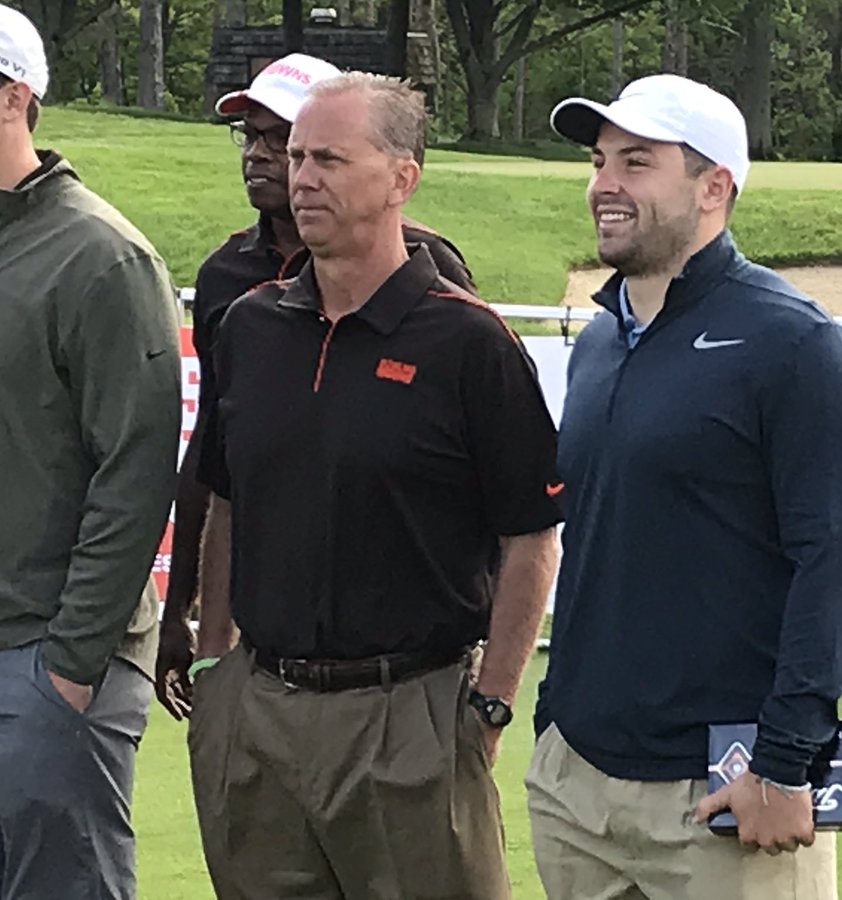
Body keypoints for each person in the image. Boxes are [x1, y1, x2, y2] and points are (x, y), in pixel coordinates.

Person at [189, 72, 562, 899]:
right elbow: (222, 496)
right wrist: (216, 664)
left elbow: (531, 534)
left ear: (402, 178)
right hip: (260, 707)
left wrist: (489, 705)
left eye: (329, 157)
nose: (302, 177)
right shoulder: (250, 325)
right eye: (295, 157)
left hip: (411, 709)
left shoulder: (469, 342)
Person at [527, 73, 842, 900]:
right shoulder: (602, 337)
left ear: (714, 186)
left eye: (638, 162)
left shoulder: (796, 345)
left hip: (727, 796)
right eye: (600, 159)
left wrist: (787, 761)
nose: (604, 185)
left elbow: (835, 564)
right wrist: (554, 727)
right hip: (578, 785)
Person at [155, 54, 477, 719]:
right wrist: (177, 609)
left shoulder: (429, 266)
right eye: (255, 137)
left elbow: (481, 468)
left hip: (401, 651)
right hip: (261, 632)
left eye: (289, 140)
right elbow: (216, 459)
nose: (264, 156)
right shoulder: (224, 276)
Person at [0, 5, 181, 897]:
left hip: (44, 661)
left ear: (12, 97)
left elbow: (137, 474)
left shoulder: (101, 257)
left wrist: (68, 671)